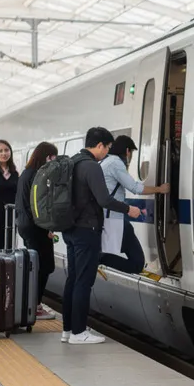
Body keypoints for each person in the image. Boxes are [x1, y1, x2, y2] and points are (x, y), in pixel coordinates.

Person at [63, 127, 137, 345]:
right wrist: (127, 209)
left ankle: (67, 330)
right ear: (100, 146)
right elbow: (104, 200)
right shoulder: (91, 167)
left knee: (73, 279)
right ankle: (78, 332)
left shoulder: (72, 163)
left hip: (70, 229)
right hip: (87, 231)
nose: (107, 153)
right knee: (84, 282)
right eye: (107, 148)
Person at [100, 135, 169, 275]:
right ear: (127, 151)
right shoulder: (116, 163)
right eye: (131, 153)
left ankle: (98, 257)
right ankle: (98, 258)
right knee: (136, 264)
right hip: (113, 219)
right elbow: (135, 188)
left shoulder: (105, 161)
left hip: (106, 218)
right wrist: (160, 189)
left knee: (117, 251)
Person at [16, 142, 60, 321]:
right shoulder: (37, 175)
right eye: (53, 157)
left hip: (27, 225)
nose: (53, 162)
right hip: (35, 227)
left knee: (37, 265)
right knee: (44, 266)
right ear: (47, 156)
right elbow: (39, 205)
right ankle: (34, 306)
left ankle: (33, 304)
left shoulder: (27, 174)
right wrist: (47, 226)